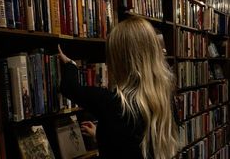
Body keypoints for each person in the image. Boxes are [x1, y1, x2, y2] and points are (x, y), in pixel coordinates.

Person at [58, 16, 179, 159]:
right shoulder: (164, 97)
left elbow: (70, 87)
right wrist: (101, 134)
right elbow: (134, 142)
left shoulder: (111, 102)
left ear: (120, 60)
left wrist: (71, 65)